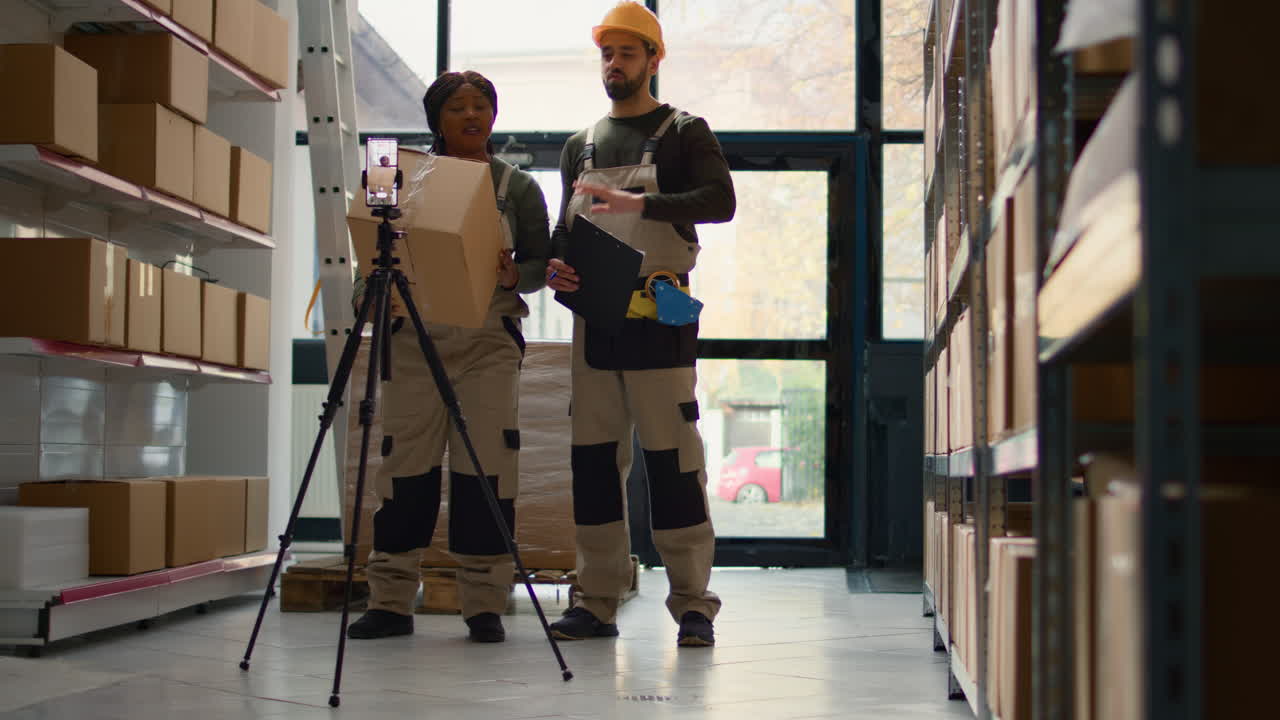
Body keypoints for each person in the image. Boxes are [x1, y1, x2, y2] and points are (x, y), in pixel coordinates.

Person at [544, 1, 735, 648]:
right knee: (594, 466)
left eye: (628, 52)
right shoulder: (580, 146)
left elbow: (721, 201)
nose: (615, 63)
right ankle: (594, 600)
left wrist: (640, 202)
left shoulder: (684, 131)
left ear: (653, 59)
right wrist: (557, 269)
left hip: (662, 313)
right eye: (607, 53)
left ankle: (692, 605)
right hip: (594, 323)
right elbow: (563, 233)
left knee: (674, 464)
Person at [347, 70, 551, 643]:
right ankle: (389, 601)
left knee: (485, 472)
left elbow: (540, 264)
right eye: (457, 106)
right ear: (436, 117)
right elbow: (367, 265)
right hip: (413, 342)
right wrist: (369, 301)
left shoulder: (519, 189)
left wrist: (519, 272)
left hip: (488, 345)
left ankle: (484, 603)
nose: (471, 115)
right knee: (403, 472)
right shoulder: (396, 176)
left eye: (482, 104)